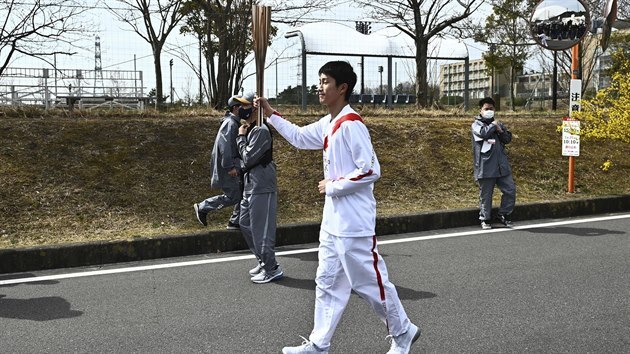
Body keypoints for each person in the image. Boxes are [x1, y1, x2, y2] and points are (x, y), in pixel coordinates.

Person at [257, 61, 420, 354]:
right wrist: (270, 114)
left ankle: (403, 331)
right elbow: (297, 137)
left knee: (370, 283)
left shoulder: (352, 124)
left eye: (325, 82)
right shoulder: (328, 122)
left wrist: (333, 186)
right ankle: (319, 343)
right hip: (332, 221)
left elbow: (370, 169)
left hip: (354, 221)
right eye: (319, 81)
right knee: (327, 281)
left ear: (342, 87)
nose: (319, 87)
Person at [234, 93, 283, 284]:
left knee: (262, 230)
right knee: (245, 223)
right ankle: (263, 261)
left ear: (255, 109)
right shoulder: (251, 129)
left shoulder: (261, 131)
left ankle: (272, 269)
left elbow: (247, 158)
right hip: (251, 185)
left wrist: (240, 138)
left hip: (261, 185)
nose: (241, 110)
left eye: (245, 106)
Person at [193, 95, 248, 230]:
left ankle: (235, 222)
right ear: (235, 108)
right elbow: (225, 146)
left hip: (233, 164)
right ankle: (203, 207)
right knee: (234, 196)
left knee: (241, 192)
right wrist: (230, 166)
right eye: (243, 106)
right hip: (229, 166)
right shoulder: (230, 124)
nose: (246, 109)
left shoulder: (233, 122)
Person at [471, 97, 516, 230]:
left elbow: (507, 139)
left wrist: (500, 130)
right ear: (481, 110)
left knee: (510, 190)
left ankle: (503, 214)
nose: (489, 111)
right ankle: (485, 218)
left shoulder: (498, 124)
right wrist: (493, 126)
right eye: (486, 109)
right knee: (486, 195)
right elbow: (483, 134)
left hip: (501, 166)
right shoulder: (476, 125)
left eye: (491, 109)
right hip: (485, 167)